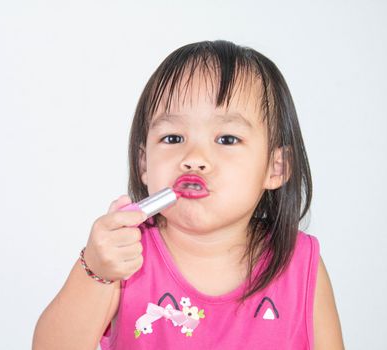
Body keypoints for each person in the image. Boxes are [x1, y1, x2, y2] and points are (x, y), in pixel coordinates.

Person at [32, 40, 344, 349]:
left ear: (276, 168)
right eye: (173, 137)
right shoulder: (126, 257)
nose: (194, 157)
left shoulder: (301, 265)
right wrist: (96, 272)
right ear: (144, 163)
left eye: (227, 139)